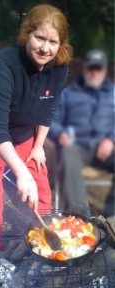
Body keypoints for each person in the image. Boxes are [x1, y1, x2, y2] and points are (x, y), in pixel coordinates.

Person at [0, 4, 72, 254]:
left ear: (61, 45)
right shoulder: (3, 65)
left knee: (41, 187)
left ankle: (44, 232)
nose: (45, 48)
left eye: (53, 42)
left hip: (25, 135)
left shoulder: (59, 66)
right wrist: (19, 173)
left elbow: (49, 108)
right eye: (39, 38)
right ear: (27, 34)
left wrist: (37, 148)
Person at [49, 49, 114, 216]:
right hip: (76, 147)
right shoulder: (68, 94)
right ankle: (81, 217)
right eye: (90, 68)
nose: (93, 72)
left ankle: (111, 217)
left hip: (106, 148)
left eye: (98, 68)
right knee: (68, 152)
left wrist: (110, 139)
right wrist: (60, 133)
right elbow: (51, 120)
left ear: (104, 70)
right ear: (84, 69)